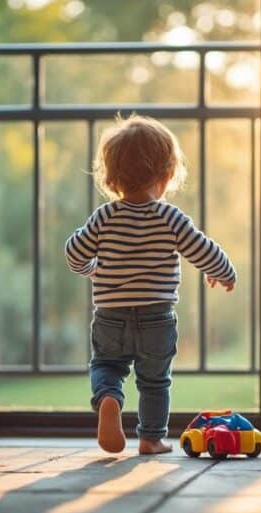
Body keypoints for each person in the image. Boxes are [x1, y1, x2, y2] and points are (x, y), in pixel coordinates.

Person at [65, 115, 237, 454]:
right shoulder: (170, 217)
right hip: (157, 318)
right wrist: (224, 272)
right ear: (167, 174)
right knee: (155, 381)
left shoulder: (104, 217)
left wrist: (91, 267)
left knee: (106, 366)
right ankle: (151, 438)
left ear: (111, 178)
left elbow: (73, 253)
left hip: (110, 316)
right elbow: (203, 249)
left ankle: (109, 399)